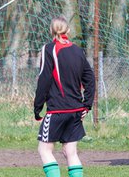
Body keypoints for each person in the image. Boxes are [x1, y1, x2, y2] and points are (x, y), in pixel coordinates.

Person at [34, 17, 95, 177]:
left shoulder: (48, 49)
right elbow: (90, 78)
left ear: (51, 31)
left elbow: (44, 79)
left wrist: (37, 107)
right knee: (70, 151)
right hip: (76, 110)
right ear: (68, 30)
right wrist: (87, 105)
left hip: (57, 110)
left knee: (44, 149)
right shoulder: (77, 50)